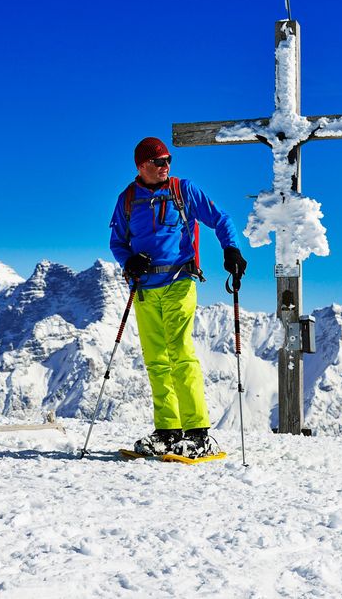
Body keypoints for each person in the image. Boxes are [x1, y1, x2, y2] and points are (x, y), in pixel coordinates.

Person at [109, 136, 247, 458]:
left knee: (181, 353)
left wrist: (231, 248)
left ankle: (198, 433)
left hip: (179, 282)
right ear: (142, 166)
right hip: (144, 290)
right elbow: (117, 242)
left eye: (168, 160)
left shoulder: (183, 190)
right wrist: (128, 260)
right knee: (156, 360)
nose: (166, 166)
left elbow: (220, 218)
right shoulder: (127, 200)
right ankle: (168, 432)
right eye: (159, 162)